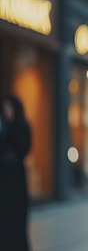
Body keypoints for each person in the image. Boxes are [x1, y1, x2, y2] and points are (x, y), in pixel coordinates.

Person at [0, 95, 32, 251]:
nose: (6, 111)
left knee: (17, 219)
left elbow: (23, 149)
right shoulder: (5, 127)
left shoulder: (21, 126)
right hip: (5, 183)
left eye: (8, 107)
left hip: (16, 181)